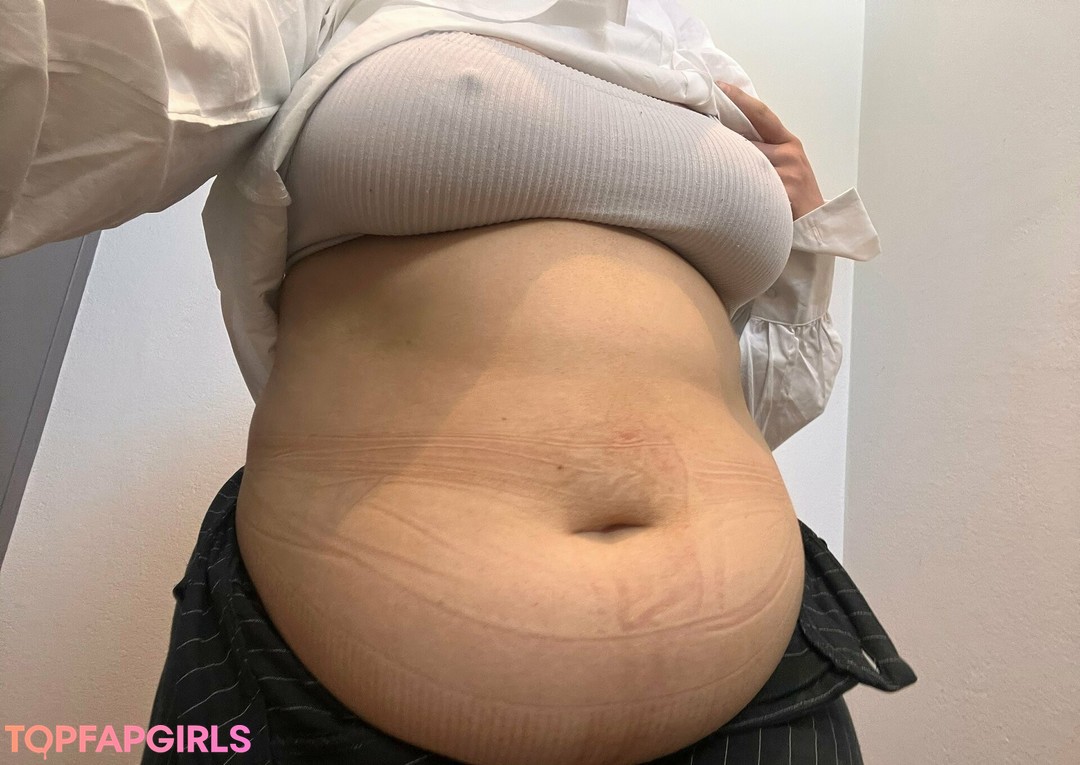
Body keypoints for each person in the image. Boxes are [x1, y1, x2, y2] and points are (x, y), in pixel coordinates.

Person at [0, 2, 915, 763]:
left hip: (767, 700)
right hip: (322, 700)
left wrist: (803, 238)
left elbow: (750, 411)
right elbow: (97, 74)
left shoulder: (694, 61)